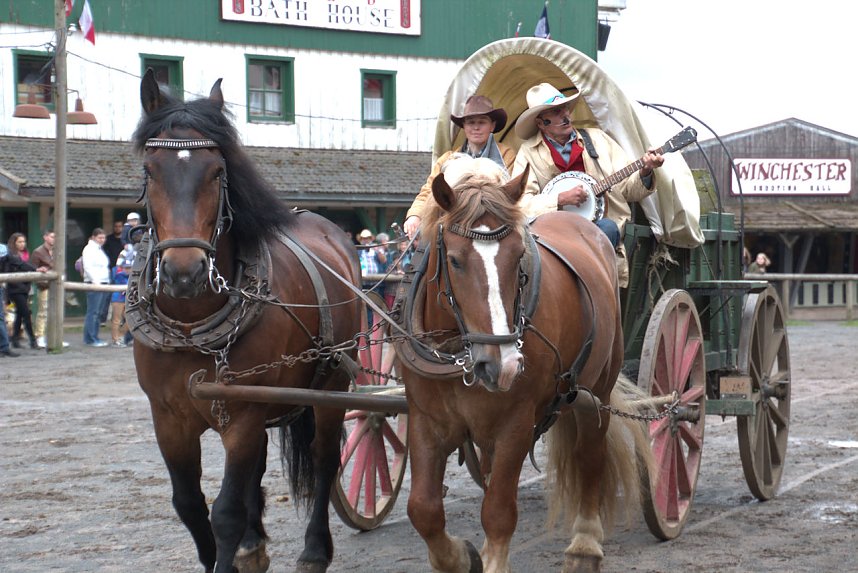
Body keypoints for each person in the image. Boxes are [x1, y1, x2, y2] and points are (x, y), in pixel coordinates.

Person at [511, 82, 665, 287]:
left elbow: (628, 189)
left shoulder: (598, 140)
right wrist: (559, 199)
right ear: (541, 123)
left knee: (608, 228)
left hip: (595, 228)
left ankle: (589, 288)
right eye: (556, 112)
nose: (565, 115)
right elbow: (521, 204)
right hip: (551, 234)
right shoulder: (528, 152)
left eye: (565, 108)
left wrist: (645, 171)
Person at [404, 95, 516, 238]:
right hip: (454, 224)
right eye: (471, 122)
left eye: (482, 122)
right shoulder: (447, 159)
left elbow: (508, 192)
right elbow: (429, 191)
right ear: (464, 126)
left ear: (492, 126)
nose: (476, 127)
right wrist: (415, 215)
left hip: (493, 223)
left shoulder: (506, 155)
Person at [2, 232, 39, 349]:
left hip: (24, 288)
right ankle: (33, 340)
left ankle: (15, 339)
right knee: (26, 313)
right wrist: (36, 269)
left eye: (24, 241)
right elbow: (21, 265)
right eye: (19, 242)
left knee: (20, 314)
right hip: (15, 289)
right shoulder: (10, 255)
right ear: (14, 243)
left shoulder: (25, 254)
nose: (22, 244)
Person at [81, 228, 111, 347]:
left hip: (104, 283)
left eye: (104, 238)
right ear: (93, 237)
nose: (102, 240)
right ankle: (90, 338)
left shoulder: (99, 249)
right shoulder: (89, 249)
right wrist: (95, 281)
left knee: (98, 312)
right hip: (94, 283)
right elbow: (88, 267)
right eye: (99, 237)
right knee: (93, 312)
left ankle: (94, 337)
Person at [29, 229, 56, 348]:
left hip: (57, 285)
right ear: (45, 237)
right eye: (52, 236)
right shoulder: (38, 252)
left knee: (56, 312)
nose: (54, 239)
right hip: (44, 286)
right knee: (43, 311)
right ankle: (39, 336)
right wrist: (39, 271)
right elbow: (32, 268)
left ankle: (55, 337)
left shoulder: (57, 251)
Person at [0, 240, 19, 357]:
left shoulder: (4, 249)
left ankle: (4, 347)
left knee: (1, 317)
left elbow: (17, 262)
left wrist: (35, 269)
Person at [110, 255, 132, 347]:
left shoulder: (132, 276)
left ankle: (120, 335)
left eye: (129, 268)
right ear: (122, 268)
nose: (127, 270)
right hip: (118, 299)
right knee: (116, 320)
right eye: (126, 268)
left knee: (131, 319)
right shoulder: (119, 275)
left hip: (127, 300)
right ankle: (115, 340)